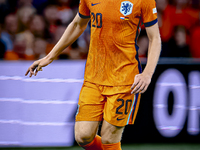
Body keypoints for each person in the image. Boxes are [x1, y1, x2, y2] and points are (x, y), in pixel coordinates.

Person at [25, 0, 161, 149]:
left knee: (109, 138)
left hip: (124, 78)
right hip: (94, 77)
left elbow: (154, 38)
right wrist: (49, 57)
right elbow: (78, 24)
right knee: (82, 136)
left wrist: (147, 73)